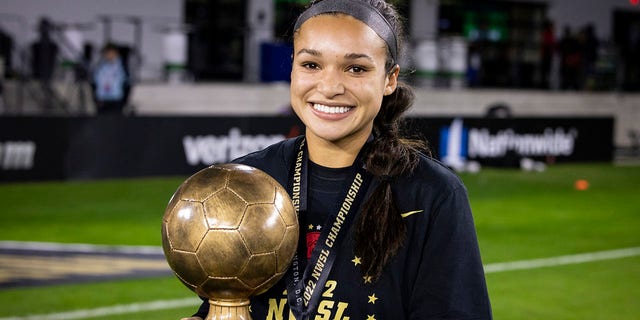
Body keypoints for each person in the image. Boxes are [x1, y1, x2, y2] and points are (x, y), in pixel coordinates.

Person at [182, 0, 492, 319]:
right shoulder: (248, 181)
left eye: (356, 68)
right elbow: (223, 303)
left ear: (389, 79)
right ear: (292, 68)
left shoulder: (432, 194)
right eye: (311, 65)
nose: (329, 87)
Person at [91, 43, 130, 115]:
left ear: (116, 53)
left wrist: (124, 101)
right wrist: (95, 99)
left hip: (116, 99)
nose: (109, 55)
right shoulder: (100, 66)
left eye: (112, 53)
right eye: (107, 53)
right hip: (102, 99)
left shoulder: (122, 66)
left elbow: (127, 83)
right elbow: (94, 82)